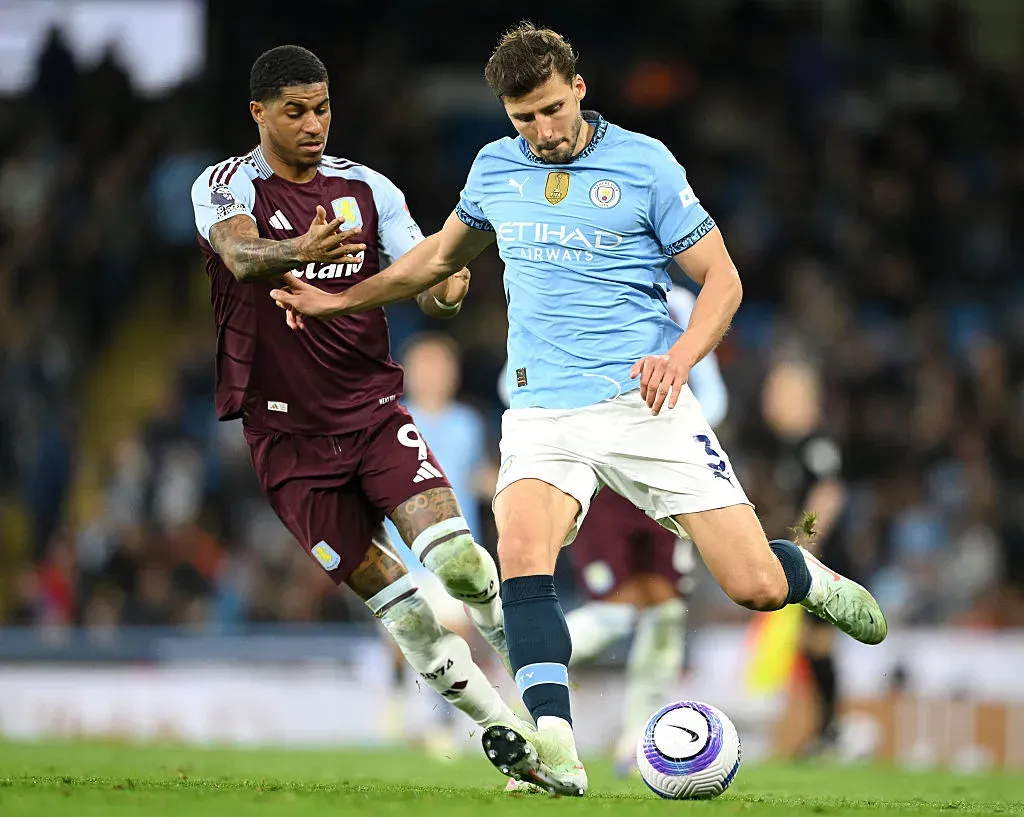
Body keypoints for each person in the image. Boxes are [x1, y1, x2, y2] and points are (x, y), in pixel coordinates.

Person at [269, 25, 887, 797]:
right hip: (539, 412)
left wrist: (679, 357)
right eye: (524, 117)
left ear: (579, 89)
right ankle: (554, 747)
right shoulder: (494, 168)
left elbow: (722, 279)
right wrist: (337, 300)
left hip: (642, 402)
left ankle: (810, 574)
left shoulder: (645, 164)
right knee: (521, 552)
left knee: (753, 583)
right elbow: (435, 259)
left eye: (554, 110)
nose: (543, 130)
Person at [189, 44, 520, 738]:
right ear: (259, 114)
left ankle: (546, 699)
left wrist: (449, 287)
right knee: (409, 616)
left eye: (324, 108)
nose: (315, 124)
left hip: (372, 413)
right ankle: (506, 734)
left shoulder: (369, 189)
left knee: (459, 562)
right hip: (287, 441)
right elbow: (241, 256)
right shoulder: (224, 185)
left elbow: (427, 280)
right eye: (296, 111)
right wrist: (302, 251)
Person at [757, 359, 850, 757]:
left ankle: (832, 732)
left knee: (819, 645)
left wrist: (803, 542)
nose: (770, 402)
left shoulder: (815, 443)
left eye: (778, 393)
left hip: (826, 559)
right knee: (811, 647)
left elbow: (829, 495)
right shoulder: (790, 449)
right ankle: (826, 729)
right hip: (814, 558)